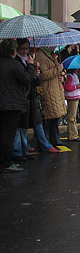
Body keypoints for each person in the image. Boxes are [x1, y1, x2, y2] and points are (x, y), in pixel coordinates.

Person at [0, 39, 37, 173]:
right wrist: (31, 66)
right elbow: (26, 79)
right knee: (8, 134)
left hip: (4, 103)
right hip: (11, 104)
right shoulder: (13, 64)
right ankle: (6, 162)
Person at [36, 46, 67, 146]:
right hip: (48, 90)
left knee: (56, 116)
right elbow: (44, 74)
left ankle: (55, 138)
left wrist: (63, 76)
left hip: (56, 89)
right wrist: (58, 69)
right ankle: (48, 140)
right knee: (49, 117)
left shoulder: (52, 55)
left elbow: (60, 71)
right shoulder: (41, 56)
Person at [63, 68, 80, 141]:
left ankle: (74, 134)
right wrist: (77, 86)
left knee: (73, 117)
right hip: (72, 97)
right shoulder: (70, 76)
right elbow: (67, 87)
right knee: (72, 117)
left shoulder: (74, 75)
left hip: (75, 97)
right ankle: (72, 135)